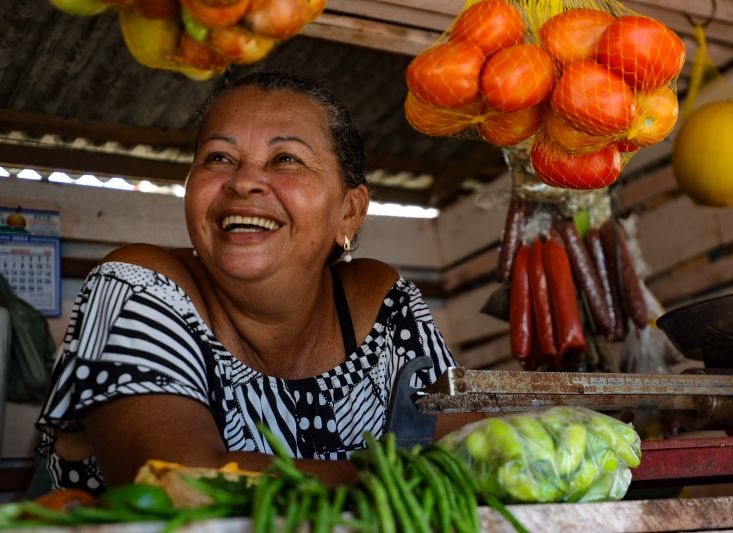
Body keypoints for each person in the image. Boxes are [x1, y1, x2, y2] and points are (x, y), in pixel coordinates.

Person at [35, 71, 481, 494]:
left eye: (285, 159)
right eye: (218, 158)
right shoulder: (135, 288)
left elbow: (475, 457)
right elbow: (176, 479)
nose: (244, 181)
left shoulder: (380, 302)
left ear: (349, 210)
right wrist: (409, 481)